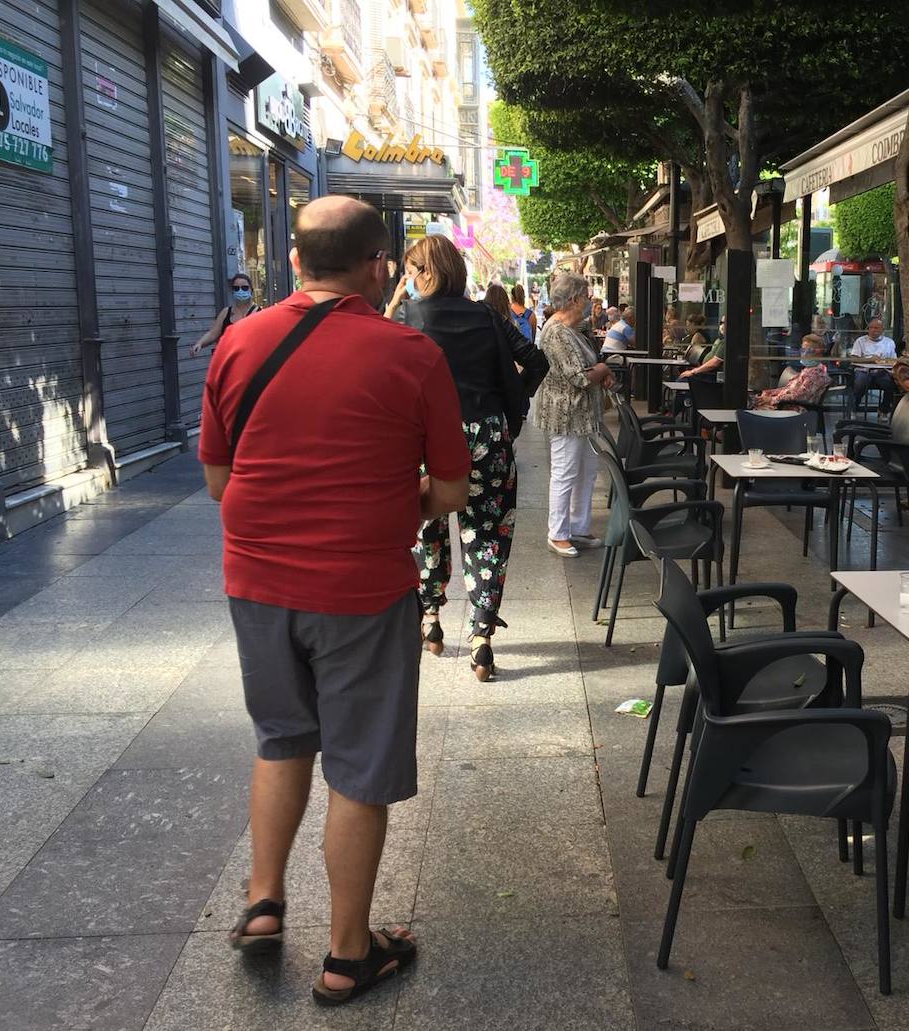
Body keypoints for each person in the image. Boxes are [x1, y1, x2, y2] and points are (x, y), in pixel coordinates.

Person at [200, 197, 471, 1003]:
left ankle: (261, 903)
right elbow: (452, 488)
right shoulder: (409, 354)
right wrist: (391, 503)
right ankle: (349, 953)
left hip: (255, 582)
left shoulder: (237, 342)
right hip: (360, 588)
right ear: (376, 265)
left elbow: (219, 480)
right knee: (359, 766)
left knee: (281, 736)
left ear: (292, 260)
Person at [387, 236, 548, 680]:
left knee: (426, 528)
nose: (408, 278)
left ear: (423, 272)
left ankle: (431, 620)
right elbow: (537, 362)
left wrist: (395, 301)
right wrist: (511, 405)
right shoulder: (488, 316)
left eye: (410, 270)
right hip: (488, 437)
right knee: (488, 532)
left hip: (427, 440)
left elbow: (379, 364)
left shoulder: (406, 317)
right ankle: (481, 639)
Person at [537, 271, 616, 557]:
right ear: (573, 299)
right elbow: (579, 377)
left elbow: (588, 367)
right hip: (566, 415)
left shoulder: (571, 330)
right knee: (565, 472)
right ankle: (557, 533)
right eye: (586, 295)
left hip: (583, 415)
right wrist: (604, 370)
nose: (589, 300)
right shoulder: (557, 332)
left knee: (586, 472)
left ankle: (578, 528)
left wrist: (600, 372)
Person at [190, 273, 262, 356]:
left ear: (251, 290)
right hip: (229, 359)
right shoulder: (226, 312)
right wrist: (200, 343)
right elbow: (213, 333)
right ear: (232, 291)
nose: (240, 291)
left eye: (244, 288)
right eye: (236, 288)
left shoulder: (260, 313)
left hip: (250, 359)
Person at [753, 334, 830, 410]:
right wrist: (769, 393)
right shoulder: (809, 370)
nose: (802, 354)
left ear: (817, 352)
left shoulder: (816, 374)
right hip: (784, 405)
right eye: (802, 350)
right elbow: (789, 389)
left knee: (752, 411)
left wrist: (771, 399)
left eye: (805, 350)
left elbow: (798, 397)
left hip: (792, 410)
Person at [848, 317, 899, 411]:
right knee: (860, 384)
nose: (873, 330)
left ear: (882, 330)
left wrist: (881, 362)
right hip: (863, 370)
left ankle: (884, 410)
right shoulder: (860, 341)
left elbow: (893, 361)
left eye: (876, 328)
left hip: (882, 370)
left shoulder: (889, 342)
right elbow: (854, 359)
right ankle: (853, 408)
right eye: (871, 327)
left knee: (890, 386)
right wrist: (871, 360)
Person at [679, 315, 724, 380]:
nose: (687, 327)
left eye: (688, 325)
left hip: (708, 375)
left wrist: (693, 371)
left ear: (694, 325)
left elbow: (714, 363)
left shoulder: (698, 336)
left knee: (681, 378)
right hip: (704, 370)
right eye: (721, 323)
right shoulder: (720, 340)